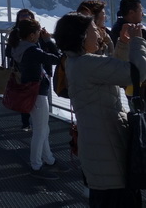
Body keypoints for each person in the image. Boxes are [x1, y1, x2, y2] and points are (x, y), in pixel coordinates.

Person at [53, 12, 146, 207]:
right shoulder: (86, 64)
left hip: (101, 151)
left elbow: (113, 70)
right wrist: (138, 41)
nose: (100, 33)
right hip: (109, 155)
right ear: (82, 37)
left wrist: (122, 43)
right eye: (94, 29)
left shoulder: (77, 62)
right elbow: (136, 72)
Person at [8, 19, 63, 179]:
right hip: (37, 93)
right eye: (38, 32)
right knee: (40, 130)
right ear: (32, 35)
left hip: (30, 91)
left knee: (43, 127)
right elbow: (58, 58)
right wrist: (48, 40)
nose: (40, 34)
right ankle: (36, 165)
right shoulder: (33, 51)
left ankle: (49, 159)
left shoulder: (19, 47)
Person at [5, 8, 36, 131]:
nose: (24, 17)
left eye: (27, 15)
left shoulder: (37, 31)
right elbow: (8, 51)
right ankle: (26, 122)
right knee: (25, 95)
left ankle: (32, 122)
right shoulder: (15, 32)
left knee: (33, 95)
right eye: (22, 15)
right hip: (20, 69)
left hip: (33, 68)